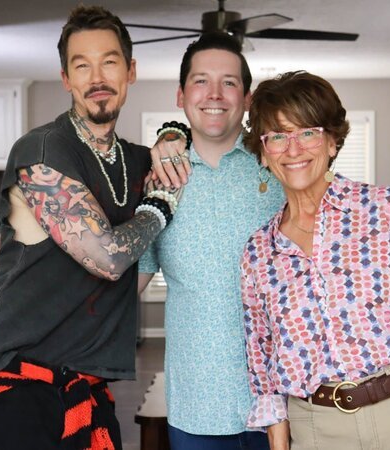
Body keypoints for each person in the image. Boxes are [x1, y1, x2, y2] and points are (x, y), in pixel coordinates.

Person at [0, 6, 187, 450]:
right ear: (66, 78)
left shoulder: (135, 161)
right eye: (82, 65)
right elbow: (109, 258)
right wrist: (158, 208)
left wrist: (175, 132)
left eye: (109, 61)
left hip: (78, 381)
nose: (97, 77)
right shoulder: (41, 151)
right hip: (11, 376)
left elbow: (181, 152)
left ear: (131, 70)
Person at [240, 71, 390, 450]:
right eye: (277, 137)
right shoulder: (259, 251)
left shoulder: (387, 210)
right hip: (316, 429)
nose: (293, 148)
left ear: (332, 141)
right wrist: (279, 443)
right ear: (263, 152)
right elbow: (262, 357)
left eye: (307, 132)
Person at [137, 33, 285, 449]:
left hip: (284, 402)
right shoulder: (157, 182)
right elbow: (131, 279)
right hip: (197, 406)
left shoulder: (280, 169)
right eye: (201, 81)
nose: (215, 94)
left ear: (248, 97)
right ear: (181, 95)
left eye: (229, 82)